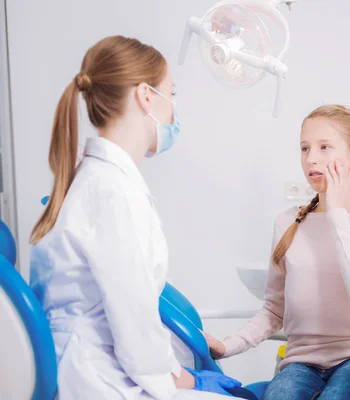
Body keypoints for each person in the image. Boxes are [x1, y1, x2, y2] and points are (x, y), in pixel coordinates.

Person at [28, 35, 250, 400]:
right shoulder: (112, 194)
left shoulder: (95, 182)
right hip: (95, 381)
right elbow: (134, 327)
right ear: (147, 97)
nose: (174, 110)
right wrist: (188, 380)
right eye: (171, 94)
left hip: (87, 370)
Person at [204, 105, 350, 399]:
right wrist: (228, 345)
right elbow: (274, 310)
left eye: (325, 147)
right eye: (305, 148)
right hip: (301, 363)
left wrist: (337, 216)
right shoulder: (287, 222)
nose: (311, 158)